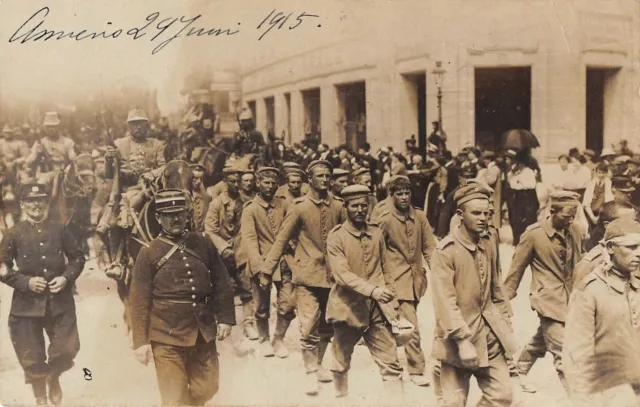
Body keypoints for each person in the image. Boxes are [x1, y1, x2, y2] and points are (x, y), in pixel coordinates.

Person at [129, 189, 235, 406]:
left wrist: (225, 318)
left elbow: (222, 281)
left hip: (202, 332)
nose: (175, 218)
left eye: (179, 213)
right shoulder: (148, 252)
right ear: (158, 218)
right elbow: (138, 300)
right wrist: (140, 342)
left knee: (208, 387)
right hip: (166, 335)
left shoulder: (203, 244)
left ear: (187, 215)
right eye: (168, 214)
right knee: (173, 397)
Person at [262, 160, 345, 395]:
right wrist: (268, 270)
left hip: (333, 278)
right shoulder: (299, 207)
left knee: (328, 325)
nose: (325, 179)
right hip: (306, 277)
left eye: (328, 175)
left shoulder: (338, 207)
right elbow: (281, 238)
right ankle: (310, 372)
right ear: (310, 179)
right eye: (320, 175)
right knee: (308, 326)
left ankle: (318, 363)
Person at [430, 183, 517, 407]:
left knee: (502, 395)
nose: (483, 218)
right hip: (457, 337)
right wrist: (461, 340)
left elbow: (496, 286)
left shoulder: (489, 241)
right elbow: (445, 302)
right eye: (476, 213)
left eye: (486, 213)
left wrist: (506, 326)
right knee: (454, 402)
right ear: (460, 214)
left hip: (490, 334)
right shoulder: (445, 251)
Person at [0, 183, 85, 406]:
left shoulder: (60, 229)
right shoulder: (13, 234)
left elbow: (77, 257)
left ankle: (53, 376)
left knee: (67, 348)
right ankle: (40, 396)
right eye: (30, 201)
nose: (36, 205)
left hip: (59, 302)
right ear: (23, 205)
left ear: (47, 203)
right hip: (26, 305)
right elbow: (2, 267)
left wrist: (66, 277)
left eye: (40, 200)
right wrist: (25, 282)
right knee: (31, 352)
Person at [325, 184, 405, 398]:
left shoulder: (376, 232)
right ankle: (341, 399)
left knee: (391, 364)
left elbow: (386, 268)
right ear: (346, 207)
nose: (360, 210)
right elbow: (342, 275)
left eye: (364, 205)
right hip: (347, 309)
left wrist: (393, 301)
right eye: (354, 206)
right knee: (340, 362)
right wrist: (373, 291)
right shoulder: (336, 237)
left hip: (376, 310)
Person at [503, 190, 584, 393]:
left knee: (542, 340)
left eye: (573, 216)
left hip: (570, 298)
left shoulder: (575, 230)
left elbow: (581, 264)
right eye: (566, 216)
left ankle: (517, 371)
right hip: (547, 299)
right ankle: (580, 398)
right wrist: (503, 300)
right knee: (563, 353)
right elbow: (516, 270)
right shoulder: (533, 234)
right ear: (552, 211)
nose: (570, 220)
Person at [564, 219, 640, 407]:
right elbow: (578, 353)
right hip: (609, 389)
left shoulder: (637, 285)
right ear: (611, 248)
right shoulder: (590, 289)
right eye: (631, 247)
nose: (638, 253)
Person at [376, 175, 436, 387]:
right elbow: (375, 248)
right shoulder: (385, 219)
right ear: (391, 196)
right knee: (411, 325)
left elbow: (429, 246)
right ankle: (417, 369)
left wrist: (436, 269)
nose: (404, 197)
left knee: (398, 323)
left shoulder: (419, 217)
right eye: (399, 194)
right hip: (395, 280)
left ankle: (389, 359)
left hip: (416, 281)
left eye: (407, 193)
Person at [240, 167, 296, 358]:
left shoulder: (285, 204)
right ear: (258, 184)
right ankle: (264, 338)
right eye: (266, 182)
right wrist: (261, 270)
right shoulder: (250, 209)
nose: (270, 187)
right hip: (261, 264)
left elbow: (291, 231)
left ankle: (278, 338)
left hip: (284, 263)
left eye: (273, 183)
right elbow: (249, 240)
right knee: (262, 307)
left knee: (288, 304)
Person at [204, 166, 257, 340]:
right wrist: (222, 247)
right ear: (225, 183)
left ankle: (249, 323)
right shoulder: (216, 204)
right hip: (222, 255)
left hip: (242, 252)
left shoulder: (247, 202)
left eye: (238, 182)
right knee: (219, 289)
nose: (236, 185)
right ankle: (218, 323)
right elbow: (210, 230)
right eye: (232, 182)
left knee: (247, 289)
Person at [25, 112, 77, 177]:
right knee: (40, 182)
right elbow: (31, 157)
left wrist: (72, 157)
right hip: (46, 174)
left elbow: (73, 157)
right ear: (45, 128)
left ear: (58, 127)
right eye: (48, 127)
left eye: (53, 126)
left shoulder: (68, 142)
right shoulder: (41, 142)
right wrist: (26, 163)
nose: (51, 129)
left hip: (64, 174)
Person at [505, 149, 539, 246]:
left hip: (527, 198)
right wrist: (514, 176)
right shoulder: (515, 172)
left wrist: (520, 181)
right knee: (516, 220)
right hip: (518, 198)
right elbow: (511, 184)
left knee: (527, 220)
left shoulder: (528, 171)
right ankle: (518, 240)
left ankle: (528, 242)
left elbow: (531, 185)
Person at [582, 162, 614, 231]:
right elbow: (586, 202)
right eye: (599, 173)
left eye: (603, 173)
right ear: (596, 173)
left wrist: (599, 217)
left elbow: (608, 199)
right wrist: (593, 217)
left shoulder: (608, 182)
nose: (601, 175)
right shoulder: (591, 183)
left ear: (606, 173)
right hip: (590, 211)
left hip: (603, 211)